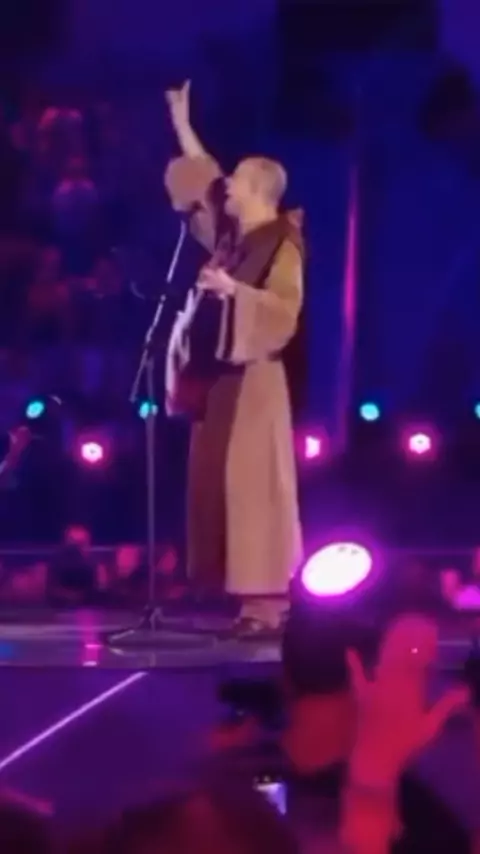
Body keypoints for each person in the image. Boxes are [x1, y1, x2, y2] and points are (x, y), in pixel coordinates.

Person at [163, 80, 304, 632]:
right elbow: (206, 181)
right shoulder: (234, 239)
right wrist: (182, 123)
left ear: (260, 190)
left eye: (238, 181)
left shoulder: (280, 242)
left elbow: (285, 310)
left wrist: (234, 292)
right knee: (217, 484)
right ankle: (233, 593)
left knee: (253, 488)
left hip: (255, 380)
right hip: (221, 380)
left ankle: (266, 604)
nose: (229, 188)